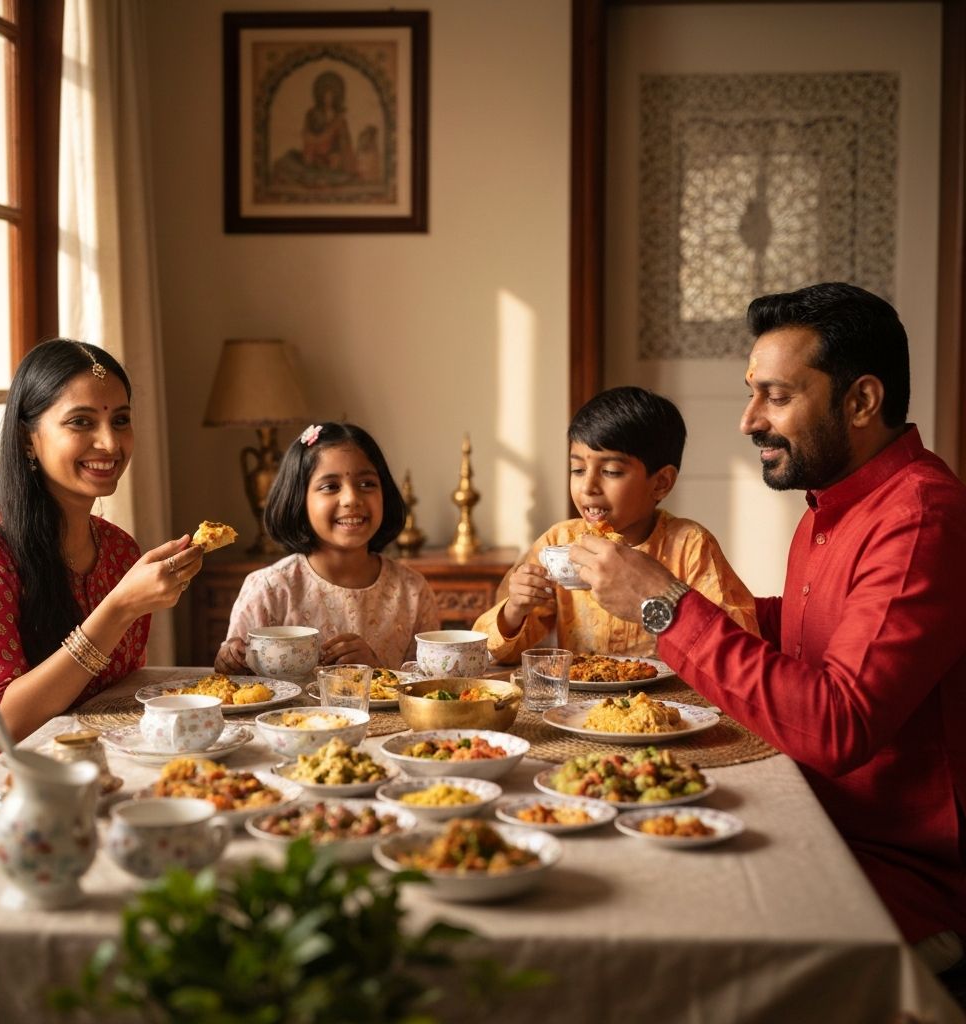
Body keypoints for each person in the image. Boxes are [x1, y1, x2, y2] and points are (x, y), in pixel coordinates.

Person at [569, 283, 966, 975]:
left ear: (862, 401)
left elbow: (836, 723)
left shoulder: (921, 519)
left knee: (653, 948)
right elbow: (810, 631)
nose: (748, 420)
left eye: (776, 397)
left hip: (899, 879)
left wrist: (664, 605)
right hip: (815, 825)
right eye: (753, 393)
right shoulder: (830, 507)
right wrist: (695, 597)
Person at [0, 339, 203, 749]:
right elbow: (1, 727)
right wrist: (119, 608)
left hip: (107, 769)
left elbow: (117, 697)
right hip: (4, 791)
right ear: (28, 439)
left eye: (120, 420)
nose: (111, 444)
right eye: (81, 422)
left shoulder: (119, 550)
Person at [473, 387, 758, 662]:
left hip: (669, 704)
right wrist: (514, 609)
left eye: (611, 471)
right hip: (579, 707)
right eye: (578, 469)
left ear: (661, 483)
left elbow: (738, 641)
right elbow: (494, 651)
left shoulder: (690, 545)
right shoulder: (557, 542)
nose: (588, 486)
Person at [215, 422, 439, 672]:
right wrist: (229, 662)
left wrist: (377, 673)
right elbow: (240, 688)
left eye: (366, 484)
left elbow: (428, 692)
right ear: (299, 499)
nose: (352, 499)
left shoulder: (412, 592)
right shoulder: (270, 590)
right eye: (330, 487)